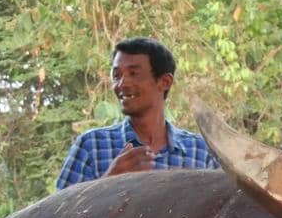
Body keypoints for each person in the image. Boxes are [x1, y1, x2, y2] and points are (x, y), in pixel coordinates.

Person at [56, 37, 217, 188]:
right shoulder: (90, 146)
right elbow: (57, 215)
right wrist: (108, 182)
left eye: (134, 74)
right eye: (116, 75)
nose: (122, 83)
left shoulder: (201, 152)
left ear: (164, 82)